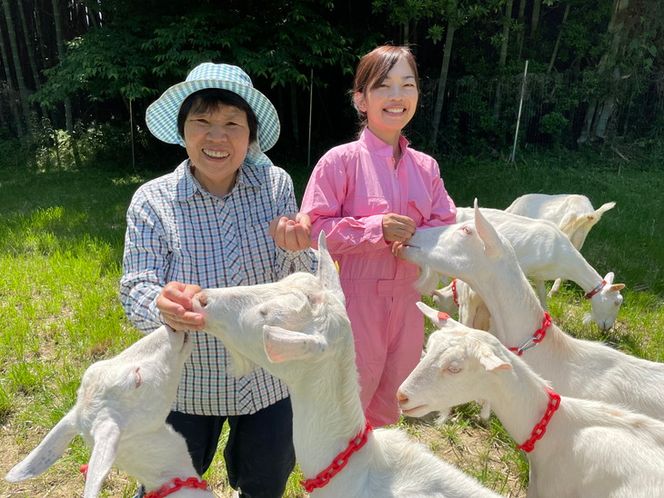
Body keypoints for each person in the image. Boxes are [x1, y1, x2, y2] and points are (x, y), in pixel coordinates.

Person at [120, 62, 313, 498]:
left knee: (266, 484)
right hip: (187, 383)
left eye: (232, 123)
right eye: (202, 121)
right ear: (182, 129)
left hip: (269, 377)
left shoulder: (275, 185)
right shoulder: (153, 200)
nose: (217, 136)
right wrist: (161, 304)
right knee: (165, 487)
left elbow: (303, 281)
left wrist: (300, 248)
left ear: (251, 135)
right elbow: (136, 287)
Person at [298, 45, 457, 427]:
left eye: (408, 85)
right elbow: (312, 229)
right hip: (355, 302)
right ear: (361, 99)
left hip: (409, 303)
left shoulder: (426, 167)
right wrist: (375, 229)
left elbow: (445, 227)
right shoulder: (340, 161)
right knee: (345, 404)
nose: (397, 96)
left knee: (391, 403)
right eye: (384, 86)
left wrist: (422, 244)